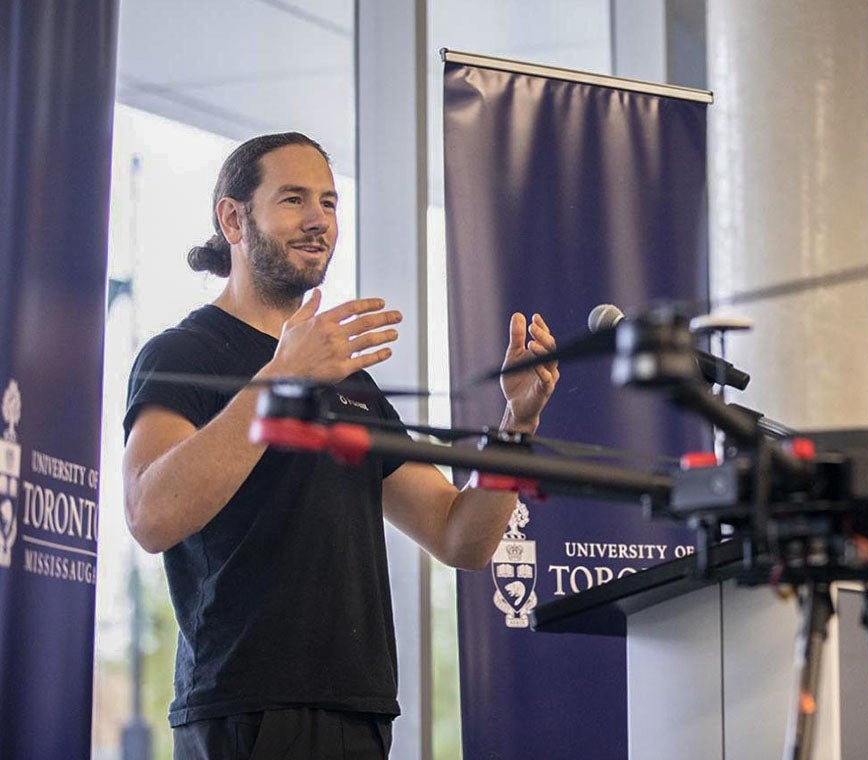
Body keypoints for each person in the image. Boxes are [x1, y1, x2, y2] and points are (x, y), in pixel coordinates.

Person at [122, 132, 559, 759]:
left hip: (361, 711)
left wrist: (516, 423)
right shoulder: (182, 354)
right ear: (233, 219)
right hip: (246, 710)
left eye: (328, 202)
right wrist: (280, 379)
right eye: (293, 199)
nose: (318, 220)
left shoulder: (348, 382)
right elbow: (151, 515)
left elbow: (460, 536)